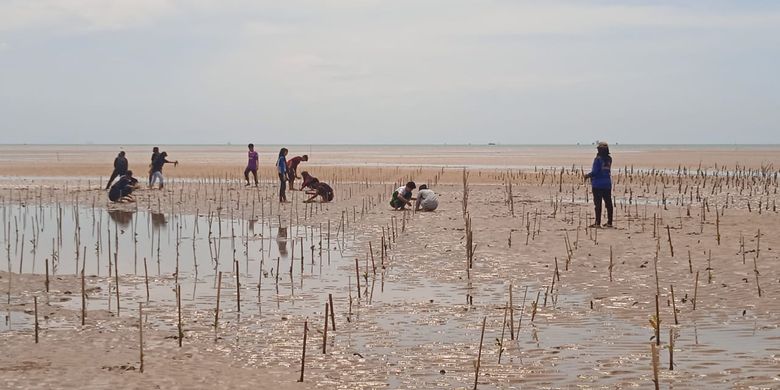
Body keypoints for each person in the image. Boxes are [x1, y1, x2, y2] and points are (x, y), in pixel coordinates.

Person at [584, 141, 613, 228]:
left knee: (598, 204)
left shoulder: (597, 159)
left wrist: (587, 176)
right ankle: (609, 222)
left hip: (597, 184)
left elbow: (595, 172)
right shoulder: (609, 159)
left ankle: (597, 222)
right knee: (608, 203)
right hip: (607, 184)